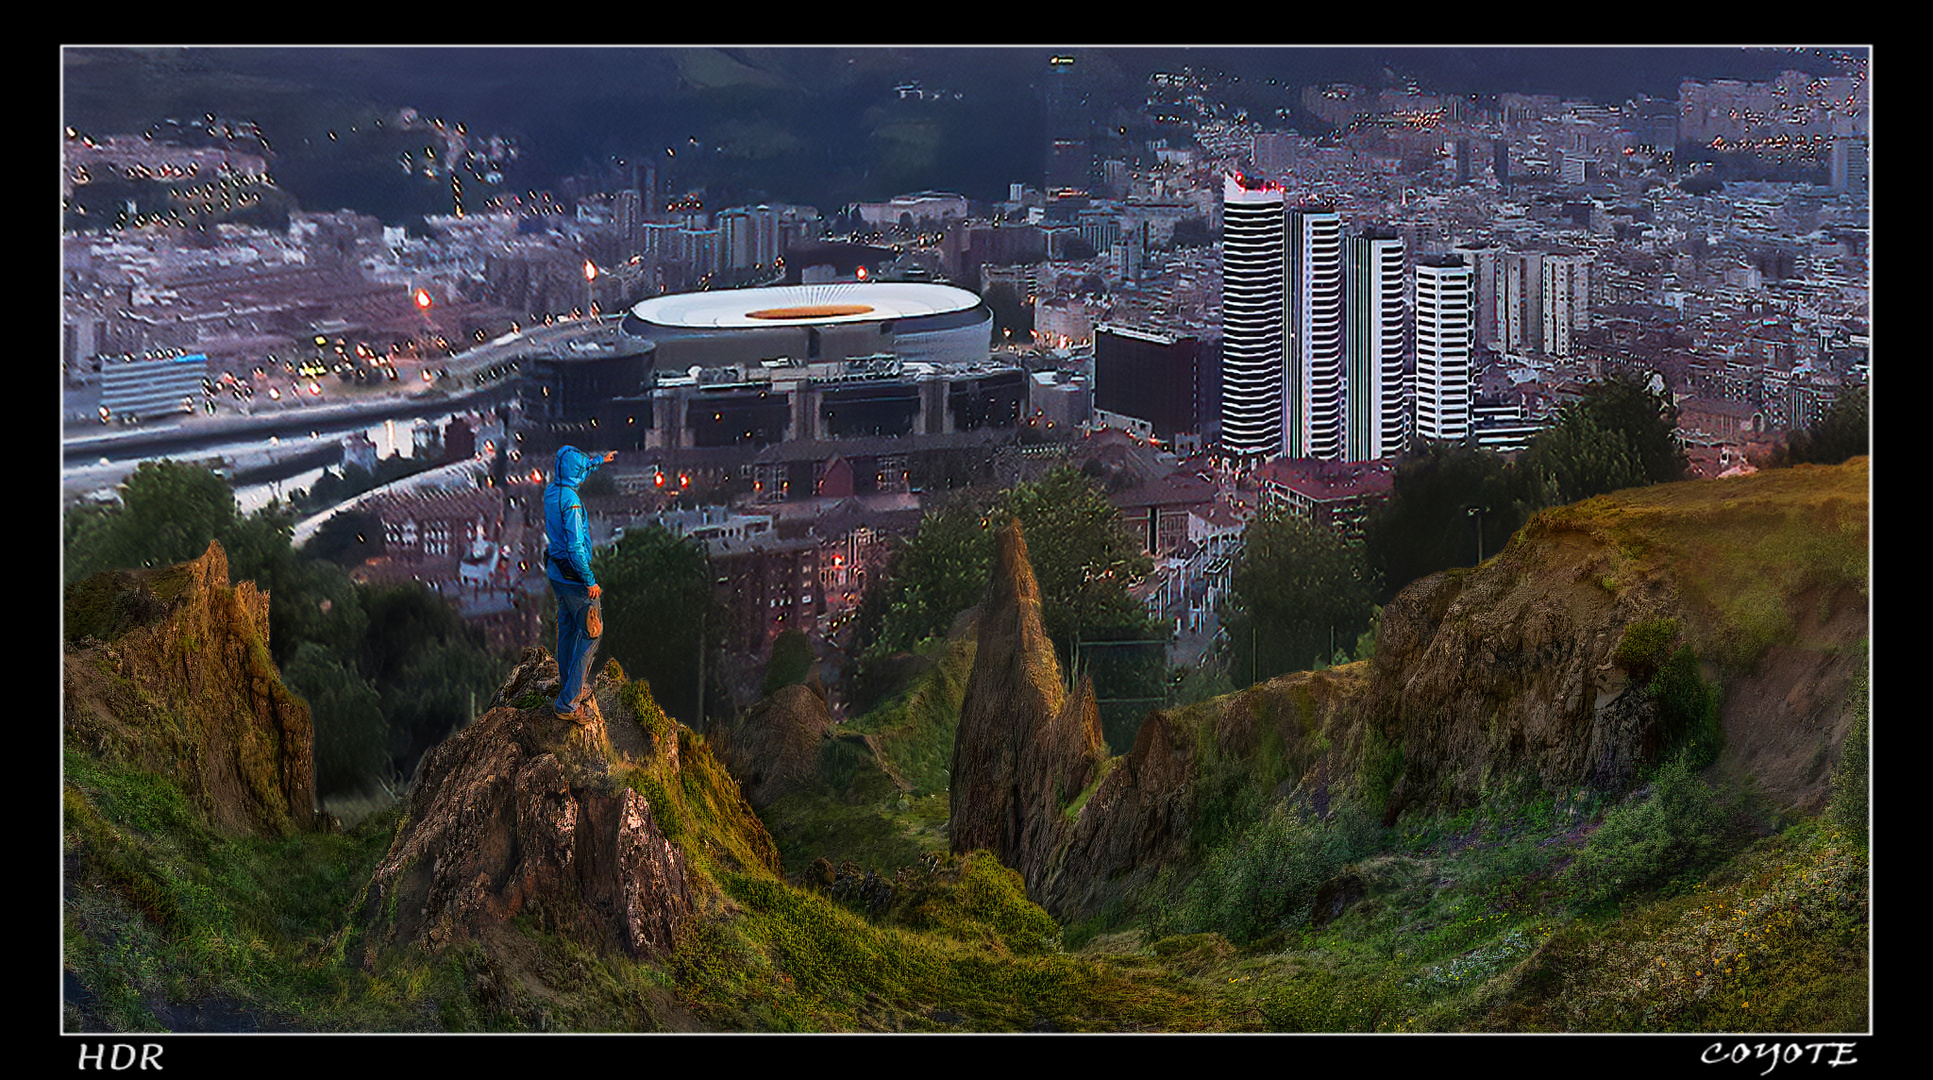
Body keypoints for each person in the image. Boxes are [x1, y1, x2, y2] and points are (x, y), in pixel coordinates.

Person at [544, 445, 616, 720]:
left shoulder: (552, 492)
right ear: (575, 472)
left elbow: (575, 466)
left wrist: (599, 460)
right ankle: (568, 702)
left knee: (567, 629)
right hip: (575, 576)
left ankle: (567, 684)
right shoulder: (571, 503)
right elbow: (575, 548)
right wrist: (590, 581)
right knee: (591, 633)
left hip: (556, 572)